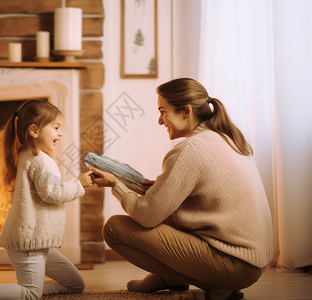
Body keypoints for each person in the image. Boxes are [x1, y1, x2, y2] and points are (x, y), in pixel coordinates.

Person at [90, 78, 273, 300]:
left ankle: (182, 279)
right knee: (161, 214)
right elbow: (207, 203)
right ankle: (176, 278)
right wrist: (159, 190)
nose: (160, 120)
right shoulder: (223, 138)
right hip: (250, 262)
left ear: (186, 111)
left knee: (114, 228)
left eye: (162, 111)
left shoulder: (191, 149)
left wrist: (116, 185)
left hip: (234, 264)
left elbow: (147, 217)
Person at [0, 99, 94, 300]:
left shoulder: (33, 156)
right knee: (30, 294)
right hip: (28, 244)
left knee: (75, 285)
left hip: (39, 243)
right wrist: (79, 184)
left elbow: (48, 191)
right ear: (34, 131)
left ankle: (3, 292)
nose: (60, 133)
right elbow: (52, 193)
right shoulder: (39, 160)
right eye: (55, 128)